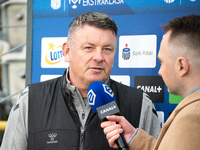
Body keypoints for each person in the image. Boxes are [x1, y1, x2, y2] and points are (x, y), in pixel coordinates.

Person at [0, 12, 160, 150]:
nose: (99, 57)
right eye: (89, 48)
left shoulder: (139, 104)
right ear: (67, 51)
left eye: (107, 49)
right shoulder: (31, 99)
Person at [101, 13, 200, 150]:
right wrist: (133, 137)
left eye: (161, 62)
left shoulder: (192, 118)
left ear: (181, 66)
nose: (159, 71)